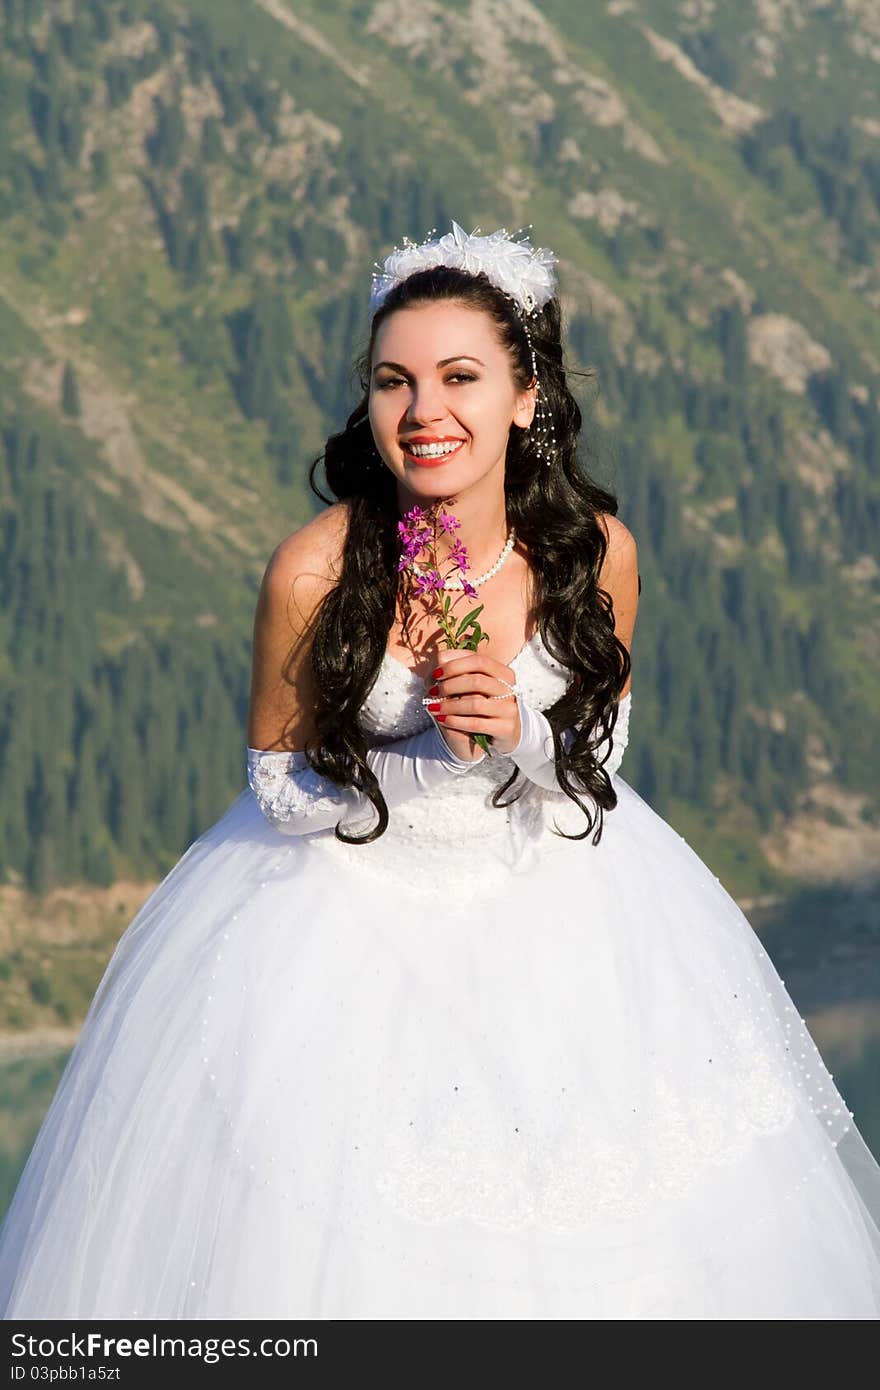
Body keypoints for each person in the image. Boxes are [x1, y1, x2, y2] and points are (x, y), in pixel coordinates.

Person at [1, 221, 879, 1321]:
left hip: (566, 918)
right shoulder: (315, 568)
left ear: (525, 399)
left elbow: (596, 760)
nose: (423, 412)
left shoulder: (596, 553)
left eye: (459, 377)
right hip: (336, 933)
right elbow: (278, 781)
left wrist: (514, 734)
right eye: (393, 381)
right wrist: (411, 770)